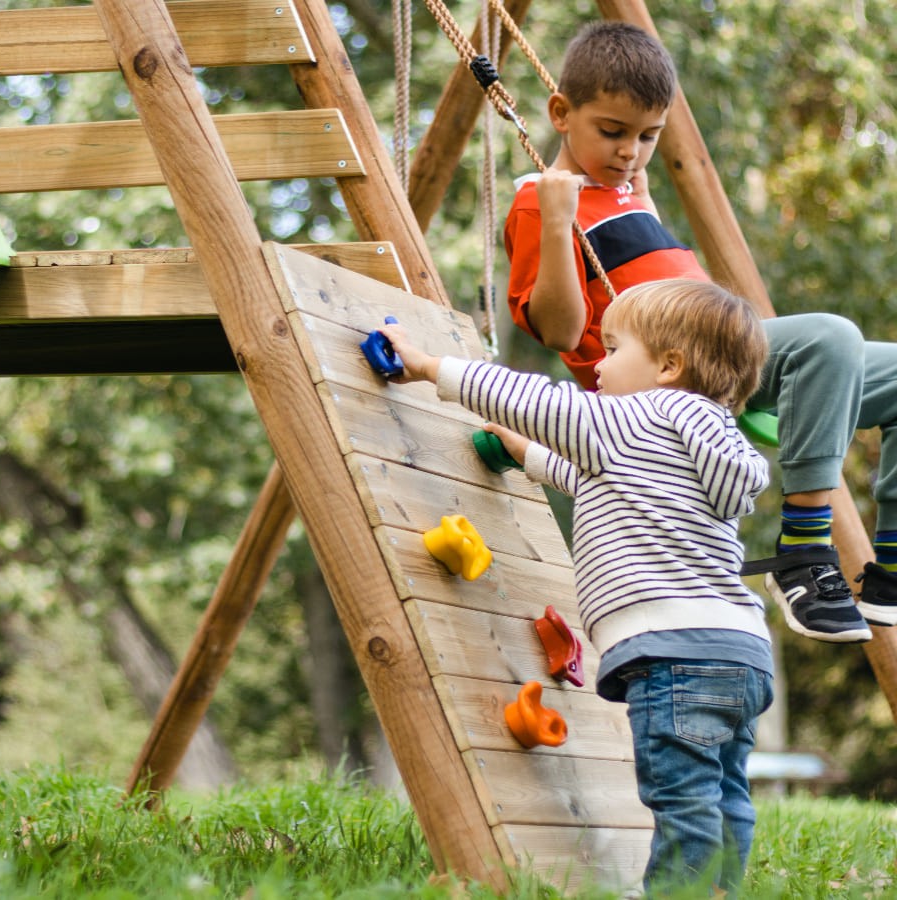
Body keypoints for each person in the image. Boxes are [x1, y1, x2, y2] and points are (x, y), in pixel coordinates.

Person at [503, 20, 897, 643]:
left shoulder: (627, 192)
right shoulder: (540, 202)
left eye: (648, 136)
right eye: (612, 131)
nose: (630, 150)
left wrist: (647, 208)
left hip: (717, 354)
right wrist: (556, 222)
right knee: (830, 336)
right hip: (674, 376)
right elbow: (559, 330)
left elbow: (655, 283)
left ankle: (890, 574)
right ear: (561, 112)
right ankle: (802, 547)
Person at [378, 279, 773, 896]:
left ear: (669, 366)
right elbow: (602, 478)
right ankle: (720, 888)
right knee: (723, 793)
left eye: (613, 349)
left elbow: (546, 402)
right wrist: (527, 453)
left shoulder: (642, 413)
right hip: (739, 652)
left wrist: (431, 366)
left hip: (676, 653)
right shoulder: (708, 439)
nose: (598, 365)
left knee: (680, 795)